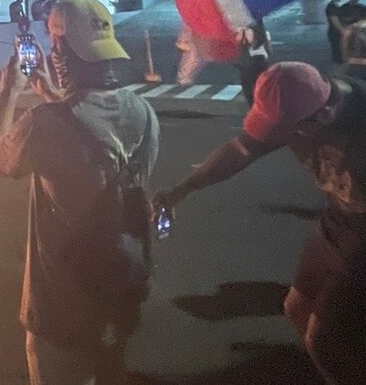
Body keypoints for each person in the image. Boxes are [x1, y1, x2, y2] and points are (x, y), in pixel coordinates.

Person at [152, 62, 366, 385]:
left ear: (319, 119)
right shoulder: (299, 107)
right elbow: (241, 150)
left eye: (281, 132)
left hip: (361, 243)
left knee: (324, 340)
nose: (271, 140)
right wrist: (182, 189)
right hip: (335, 222)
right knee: (297, 308)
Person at [0, 0, 160, 385]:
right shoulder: (142, 113)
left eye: (54, 42)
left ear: (61, 52)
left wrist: (10, 92)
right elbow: (92, 137)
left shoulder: (44, 124)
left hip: (63, 304)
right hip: (119, 295)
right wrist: (51, 93)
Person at [236, 21, 271, 106]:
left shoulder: (248, 30)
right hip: (261, 60)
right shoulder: (263, 33)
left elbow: (242, 41)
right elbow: (269, 49)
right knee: (259, 87)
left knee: (249, 88)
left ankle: (255, 107)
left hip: (253, 60)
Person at [327, 0, 346, 64]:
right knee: (338, 54)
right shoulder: (331, 7)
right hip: (335, 33)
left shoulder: (335, 5)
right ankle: (338, 72)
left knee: (339, 53)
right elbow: (334, 21)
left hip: (336, 32)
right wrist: (343, 31)